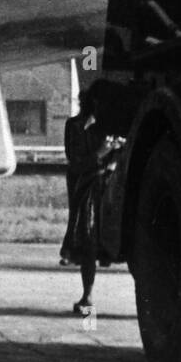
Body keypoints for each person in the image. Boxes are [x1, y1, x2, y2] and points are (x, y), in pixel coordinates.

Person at [61, 81, 110, 315]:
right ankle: (87, 296)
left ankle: (87, 296)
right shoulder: (74, 126)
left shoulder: (104, 129)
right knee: (88, 241)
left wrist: (110, 157)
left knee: (92, 240)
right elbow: (76, 161)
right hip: (85, 191)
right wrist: (101, 155)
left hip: (101, 188)